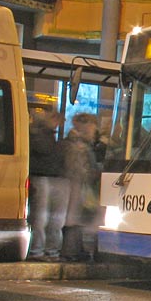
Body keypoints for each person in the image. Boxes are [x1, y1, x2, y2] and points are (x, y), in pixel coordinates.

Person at [27, 105, 69, 261]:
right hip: (42, 176)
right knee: (41, 217)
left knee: (55, 218)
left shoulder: (48, 133)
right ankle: (37, 251)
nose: (58, 123)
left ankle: (50, 251)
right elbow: (44, 150)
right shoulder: (38, 132)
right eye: (55, 119)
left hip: (54, 178)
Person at [60, 112, 100, 262]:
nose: (94, 132)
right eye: (92, 128)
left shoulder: (78, 143)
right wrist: (92, 173)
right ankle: (71, 251)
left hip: (79, 186)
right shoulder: (79, 146)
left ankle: (76, 250)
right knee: (76, 219)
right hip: (78, 187)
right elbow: (79, 168)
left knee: (78, 219)